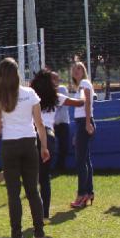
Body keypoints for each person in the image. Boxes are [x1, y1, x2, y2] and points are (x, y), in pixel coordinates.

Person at [0, 58, 48, 238]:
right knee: (33, 191)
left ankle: (17, 237)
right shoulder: (30, 93)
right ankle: (39, 235)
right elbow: (40, 124)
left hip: (10, 146)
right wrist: (44, 147)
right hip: (30, 144)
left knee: (14, 193)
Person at [31, 69, 84, 220]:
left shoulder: (32, 98)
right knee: (44, 178)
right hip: (49, 137)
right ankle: (45, 213)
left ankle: (36, 211)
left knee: (33, 178)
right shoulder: (57, 97)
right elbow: (79, 103)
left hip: (32, 136)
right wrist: (86, 93)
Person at [70, 62, 95, 208]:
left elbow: (86, 103)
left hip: (84, 122)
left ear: (84, 71)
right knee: (86, 160)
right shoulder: (79, 86)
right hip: (81, 123)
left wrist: (86, 123)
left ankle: (82, 194)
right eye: (74, 69)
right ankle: (89, 192)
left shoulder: (84, 83)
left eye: (79, 68)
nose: (76, 70)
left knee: (81, 161)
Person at [52, 72, 71, 173]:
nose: (54, 81)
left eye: (56, 79)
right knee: (50, 146)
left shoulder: (62, 89)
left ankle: (60, 166)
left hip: (63, 122)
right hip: (52, 124)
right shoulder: (47, 91)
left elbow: (59, 103)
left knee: (64, 146)